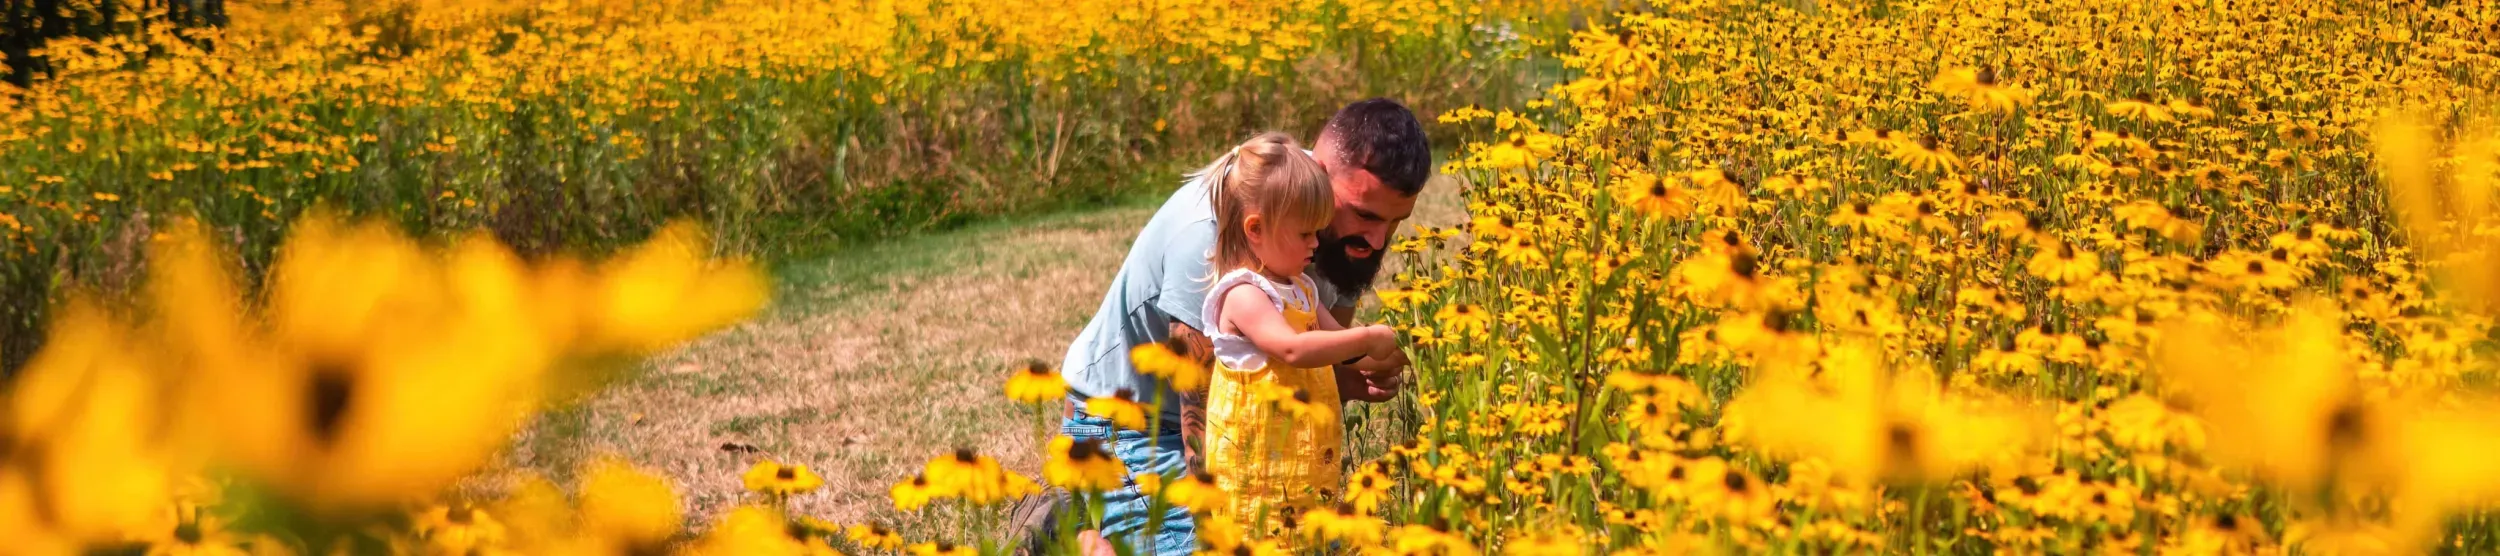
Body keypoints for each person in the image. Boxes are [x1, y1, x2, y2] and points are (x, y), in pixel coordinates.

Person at [1046, 98, 1433, 555]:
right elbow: (1199, 408)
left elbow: (1311, 350)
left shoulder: (1334, 235)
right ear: (1319, 174)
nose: (1377, 240)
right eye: (1365, 215)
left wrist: (1354, 375)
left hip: (1247, 425)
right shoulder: (1212, 236)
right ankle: (1068, 530)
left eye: (1394, 223)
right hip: (1135, 424)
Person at [1195, 132, 1402, 547]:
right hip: (1255, 471)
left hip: (1298, 460)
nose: (1316, 244)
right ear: (1255, 228)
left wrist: (1390, 357)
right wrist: (1369, 335)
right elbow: (1293, 348)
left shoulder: (1301, 287)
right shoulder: (1244, 294)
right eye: (1306, 234)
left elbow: (1339, 343)